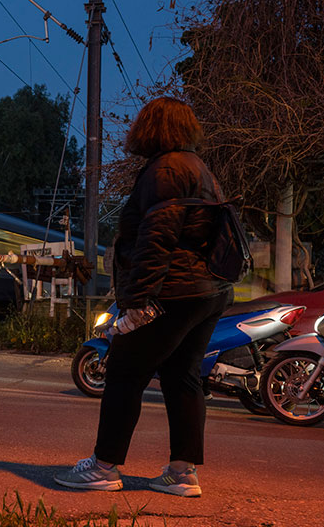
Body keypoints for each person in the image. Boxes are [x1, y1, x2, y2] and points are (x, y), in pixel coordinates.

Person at [53, 97, 233, 497]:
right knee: (182, 376)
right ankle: (182, 473)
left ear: (151, 127)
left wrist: (136, 301)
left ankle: (103, 467)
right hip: (206, 291)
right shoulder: (199, 169)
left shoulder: (166, 169)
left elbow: (158, 241)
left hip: (173, 290)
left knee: (123, 372)